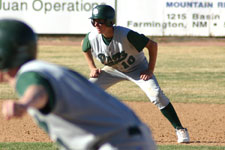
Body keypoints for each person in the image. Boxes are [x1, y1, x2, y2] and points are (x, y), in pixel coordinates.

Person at [0, 19, 156, 150]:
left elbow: (39, 91)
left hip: (116, 143)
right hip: (130, 138)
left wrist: (23, 104)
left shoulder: (27, 75)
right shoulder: (44, 69)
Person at [81, 4, 190, 143]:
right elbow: (84, 48)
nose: (96, 24)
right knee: (86, 90)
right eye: (93, 21)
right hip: (112, 70)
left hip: (137, 69)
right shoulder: (92, 37)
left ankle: (180, 129)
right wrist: (92, 67)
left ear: (109, 21)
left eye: (100, 21)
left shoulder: (126, 35)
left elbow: (153, 45)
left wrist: (150, 70)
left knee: (156, 95)